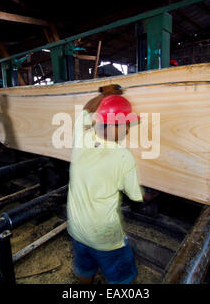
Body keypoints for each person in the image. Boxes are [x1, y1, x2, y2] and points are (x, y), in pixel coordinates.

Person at [67, 84, 158, 284]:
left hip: (77, 228)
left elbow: (86, 109)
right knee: (123, 279)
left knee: (85, 269)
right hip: (104, 236)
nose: (127, 129)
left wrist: (104, 95)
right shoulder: (122, 156)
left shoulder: (81, 136)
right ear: (113, 126)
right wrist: (153, 195)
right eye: (125, 124)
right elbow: (136, 196)